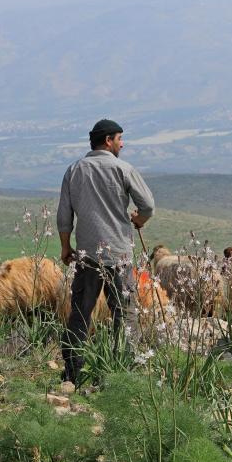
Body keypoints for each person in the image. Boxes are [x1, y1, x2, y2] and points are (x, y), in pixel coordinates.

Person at [56, 119, 155, 385]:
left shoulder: (74, 170)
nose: (122, 144)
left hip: (87, 256)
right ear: (108, 141)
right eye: (120, 139)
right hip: (119, 256)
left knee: (80, 312)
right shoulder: (123, 169)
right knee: (124, 313)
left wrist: (66, 247)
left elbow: (64, 215)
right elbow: (148, 205)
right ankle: (123, 371)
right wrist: (139, 221)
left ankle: (73, 372)